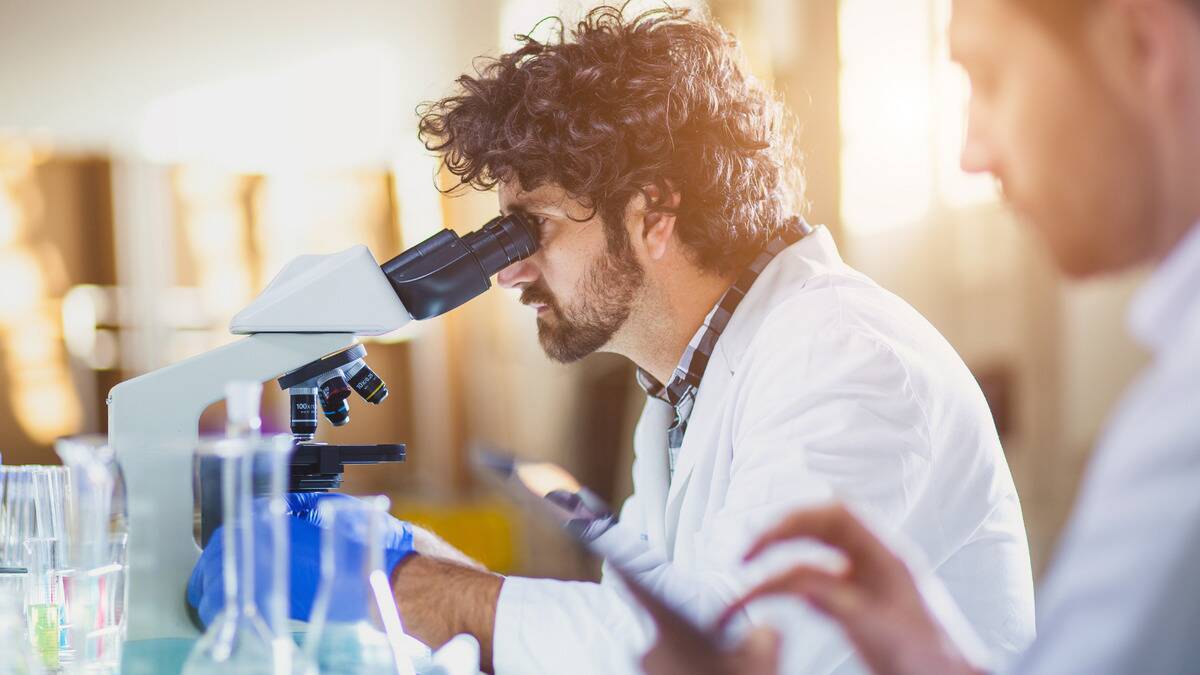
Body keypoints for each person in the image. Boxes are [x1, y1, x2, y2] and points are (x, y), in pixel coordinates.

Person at [188, 6, 1036, 673]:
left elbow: (732, 653)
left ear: (654, 212)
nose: (510, 273)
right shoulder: (688, 382)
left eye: (529, 233)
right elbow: (639, 628)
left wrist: (434, 592)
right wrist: (432, 563)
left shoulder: (846, 360)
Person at [643, 0, 1200, 673]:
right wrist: (931, 659)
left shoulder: (1182, 424)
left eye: (989, 78)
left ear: (1145, 46)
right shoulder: (1172, 389)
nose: (971, 153)